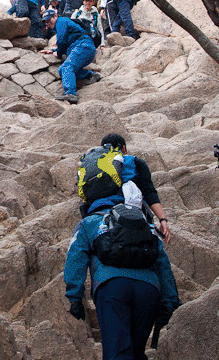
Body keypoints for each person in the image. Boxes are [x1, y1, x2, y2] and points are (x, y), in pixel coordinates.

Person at [65, 135, 180, 360]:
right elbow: (161, 259)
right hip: (149, 291)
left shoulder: (89, 222)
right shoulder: (140, 221)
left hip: (111, 289)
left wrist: (74, 296)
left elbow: (75, 258)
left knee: (117, 354)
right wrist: (170, 300)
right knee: (136, 353)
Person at [40, 8, 100, 103]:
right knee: (62, 70)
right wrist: (53, 51)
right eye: (46, 22)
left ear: (55, 16)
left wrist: (58, 53)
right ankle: (91, 75)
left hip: (83, 46)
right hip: (85, 48)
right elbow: (66, 43)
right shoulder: (62, 23)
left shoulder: (61, 21)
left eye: (49, 20)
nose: (47, 23)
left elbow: (61, 40)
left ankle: (71, 94)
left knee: (67, 67)